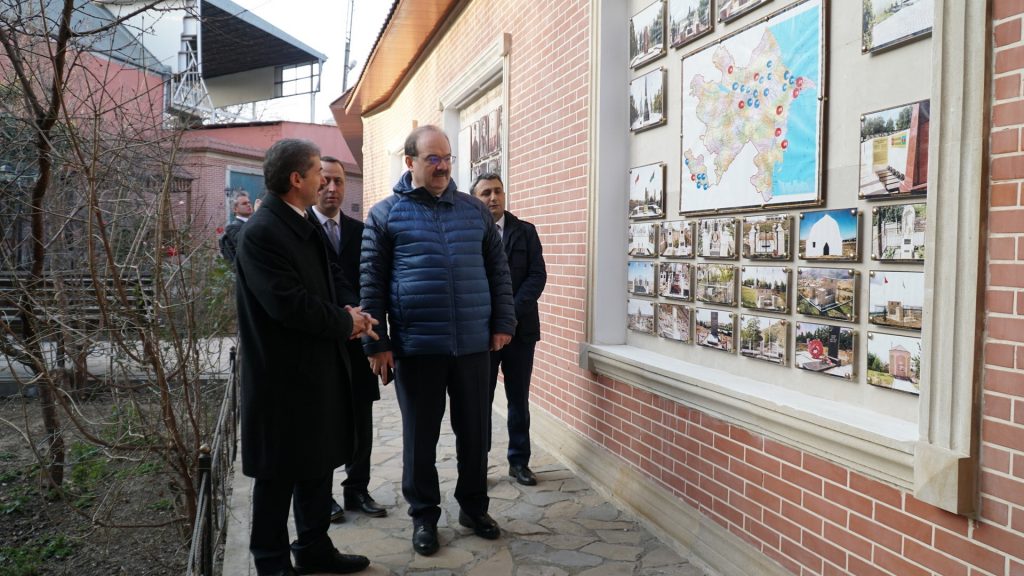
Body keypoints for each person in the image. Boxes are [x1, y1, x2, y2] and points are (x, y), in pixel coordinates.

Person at [360, 125, 516, 557]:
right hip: (416, 347)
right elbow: (371, 284)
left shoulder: (475, 211)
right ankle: (424, 516)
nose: (443, 165)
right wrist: (377, 343)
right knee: (420, 438)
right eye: (432, 158)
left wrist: (504, 321)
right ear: (410, 162)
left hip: (472, 345)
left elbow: (498, 272)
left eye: (446, 157)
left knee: (474, 432)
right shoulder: (385, 214)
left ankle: (473, 508)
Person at [235, 138, 376, 576]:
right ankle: (273, 563)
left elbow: (329, 279)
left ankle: (314, 547)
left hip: (316, 372)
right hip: (282, 379)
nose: (325, 180)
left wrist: (351, 311)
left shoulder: (301, 222)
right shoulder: (262, 232)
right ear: (297, 179)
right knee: (278, 476)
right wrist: (344, 322)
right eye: (318, 171)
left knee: (316, 463)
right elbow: (287, 303)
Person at [307, 156, 386, 523]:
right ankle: (323, 498)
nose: (332, 189)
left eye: (338, 181)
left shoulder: (362, 231)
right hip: (321, 345)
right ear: (311, 183)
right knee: (321, 423)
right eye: (324, 181)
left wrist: (374, 338)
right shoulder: (301, 230)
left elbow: (375, 283)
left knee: (361, 420)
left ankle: (357, 490)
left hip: (359, 343)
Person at [470, 172, 547, 486]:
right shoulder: (469, 234)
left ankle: (519, 462)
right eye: (486, 193)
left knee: (518, 399)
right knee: (479, 401)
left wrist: (509, 315)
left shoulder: (525, 232)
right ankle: (478, 464)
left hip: (520, 330)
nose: (493, 198)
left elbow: (536, 276)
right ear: (475, 199)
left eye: (498, 191)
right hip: (482, 334)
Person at [219, 192, 252, 263]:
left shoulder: (252, 222)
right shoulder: (232, 227)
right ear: (235, 209)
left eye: (249, 202)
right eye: (244, 203)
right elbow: (244, 243)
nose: (249, 205)